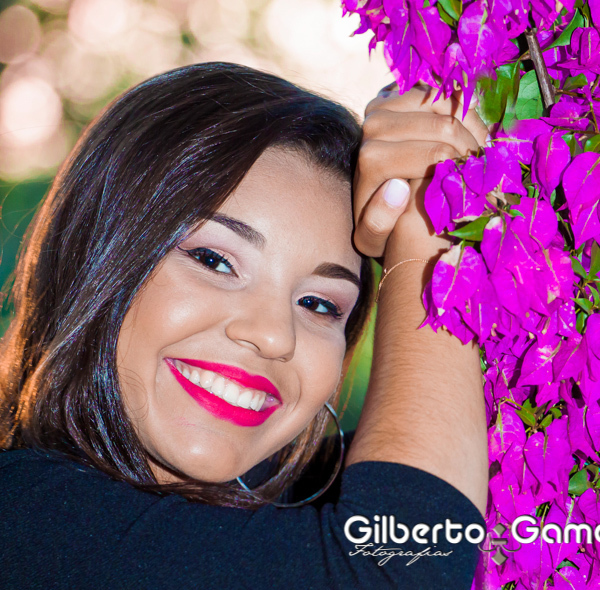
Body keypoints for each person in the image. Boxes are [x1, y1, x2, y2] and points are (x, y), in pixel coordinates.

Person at [0, 62, 490, 589]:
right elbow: (403, 563)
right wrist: (434, 227)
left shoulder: (307, 508)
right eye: (214, 261)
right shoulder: (22, 519)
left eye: (318, 304)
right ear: (94, 257)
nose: (274, 335)